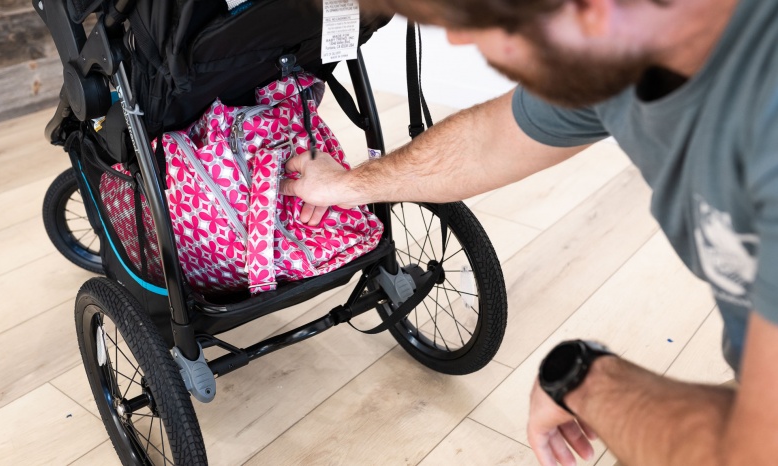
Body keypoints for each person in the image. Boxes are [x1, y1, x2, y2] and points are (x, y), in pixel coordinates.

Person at [280, 0, 778, 464]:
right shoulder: (618, 54)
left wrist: (586, 379)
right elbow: (489, 141)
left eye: (476, 15)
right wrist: (349, 186)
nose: (456, 40)